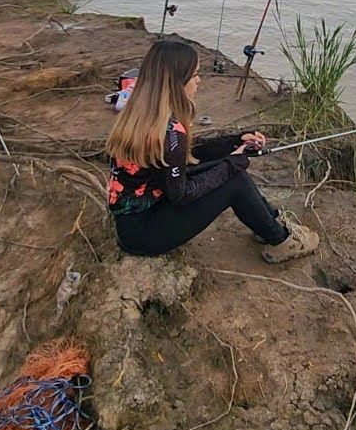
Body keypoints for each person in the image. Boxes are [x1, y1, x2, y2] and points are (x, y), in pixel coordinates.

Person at [105, 39, 319, 263]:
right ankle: (281, 240)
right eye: (195, 74)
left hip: (134, 222)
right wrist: (232, 163)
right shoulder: (168, 133)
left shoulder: (141, 114)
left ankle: (269, 222)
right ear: (178, 81)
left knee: (230, 171)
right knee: (233, 178)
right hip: (144, 234)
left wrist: (233, 143)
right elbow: (181, 194)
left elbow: (184, 158)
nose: (199, 81)